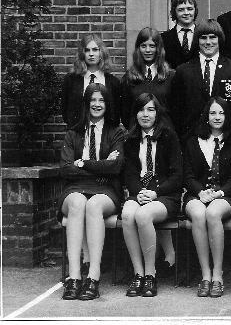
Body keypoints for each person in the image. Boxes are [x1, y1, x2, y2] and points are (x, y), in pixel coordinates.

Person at [58, 83, 125, 300]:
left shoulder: (116, 132)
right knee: (77, 203)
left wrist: (82, 163)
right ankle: (75, 277)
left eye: (101, 100)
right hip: (75, 188)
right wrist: (100, 167)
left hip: (106, 189)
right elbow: (65, 169)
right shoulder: (73, 133)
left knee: (94, 204)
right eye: (93, 100)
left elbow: (116, 167)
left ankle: (93, 277)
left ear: (107, 104)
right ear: (86, 103)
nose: (97, 104)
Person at [121, 27, 177, 274]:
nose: (148, 50)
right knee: (131, 212)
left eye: (153, 45)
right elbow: (126, 111)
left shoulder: (169, 75)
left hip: (164, 141)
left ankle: (155, 267)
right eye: (144, 45)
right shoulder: (130, 77)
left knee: (146, 212)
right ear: (138, 48)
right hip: (140, 138)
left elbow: (178, 108)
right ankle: (140, 272)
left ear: (159, 49)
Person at [122, 93, 183, 298]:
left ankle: (151, 274)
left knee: (143, 215)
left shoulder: (168, 136)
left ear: (157, 113)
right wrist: (139, 192)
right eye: (141, 110)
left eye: (150, 109)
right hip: (140, 192)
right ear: (135, 113)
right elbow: (129, 173)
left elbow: (177, 175)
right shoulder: (130, 139)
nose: (145, 114)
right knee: (128, 215)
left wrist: (155, 193)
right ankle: (138, 273)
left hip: (165, 195)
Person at [183, 97, 231, 298]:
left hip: (225, 195)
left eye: (222, 113)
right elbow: (187, 175)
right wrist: (200, 192)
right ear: (206, 116)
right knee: (199, 213)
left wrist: (220, 192)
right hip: (196, 194)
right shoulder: (193, 140)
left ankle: (218, 274)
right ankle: (205, 275)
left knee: (213, 212)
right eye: (213, 113)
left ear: (227, 116)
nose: (217, 117)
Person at [170, 19, 231, 145]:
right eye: (203, 38)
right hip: (192, 140)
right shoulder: (183, 71)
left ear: (219, 39)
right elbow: (177, 110)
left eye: (212, 37)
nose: (208, 42)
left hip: (226, 139)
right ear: (197, 40)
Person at [61, 34, 121, 129]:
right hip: (78, 135)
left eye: (95, 49)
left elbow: (116, 113)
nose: (91, 54)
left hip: (105, 136)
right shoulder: (71, 80)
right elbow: (65, 110)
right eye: (87, 50)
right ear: (82, 53)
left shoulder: (113, 82)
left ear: (101, 52)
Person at [161, 0, 199, 69]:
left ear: (195, 11)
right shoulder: (163, 38)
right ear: (174, 12)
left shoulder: (204, 35)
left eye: (190, 9)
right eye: (181, 10)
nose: (186, 13)